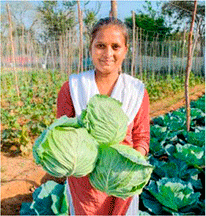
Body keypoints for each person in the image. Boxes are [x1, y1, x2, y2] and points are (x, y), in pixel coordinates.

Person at [57, 17, 150, 215]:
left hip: (121, 183)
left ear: (125, 50)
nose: (108, 54)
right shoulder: (72, 87)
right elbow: (61, 135)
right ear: (90, 48)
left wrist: (126, 171)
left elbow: (142, 139)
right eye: (100, 46)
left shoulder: (136, 91)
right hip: (83, 186)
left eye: (115, 46)